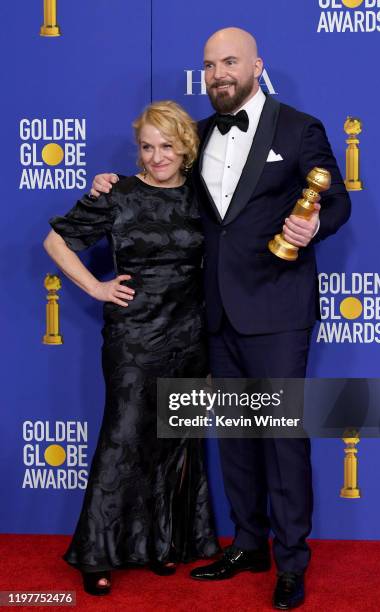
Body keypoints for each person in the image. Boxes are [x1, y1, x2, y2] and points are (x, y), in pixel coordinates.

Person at [90, 27, 351, 609]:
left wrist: (314, 227)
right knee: (234, 436)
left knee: (281, 438)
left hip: (278, 308)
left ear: (258, 65)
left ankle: (290, 562)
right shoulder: (199, 134)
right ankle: (249, 543)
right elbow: (162, 187)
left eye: (229, 62)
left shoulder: (298, 127)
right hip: (213, 311)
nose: (218, 74)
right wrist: (111, 186)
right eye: (209, 66)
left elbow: (336, 199)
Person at [43, 100, 220, 596]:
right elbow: (56, 242)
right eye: (147, 147)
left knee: (174, 440)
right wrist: (97, 288)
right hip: (134, 337)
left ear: (186, 147)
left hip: (189, 335)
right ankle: (97, 553)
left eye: (166, 146)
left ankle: (161, 545)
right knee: (124, 438)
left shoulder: (202, 197)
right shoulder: (117, 192)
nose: (156, 157)